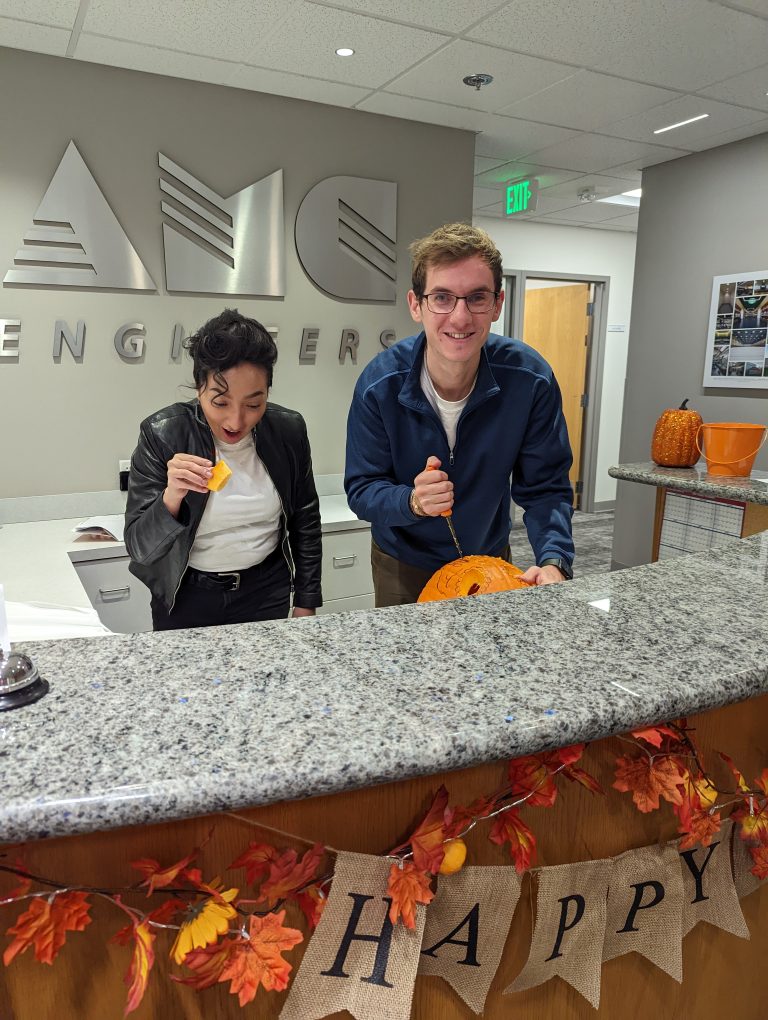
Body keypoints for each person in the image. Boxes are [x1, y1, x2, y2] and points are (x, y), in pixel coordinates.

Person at [344, 222, 574, 608]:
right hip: (402, 562)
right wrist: (412, 501)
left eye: (477, 297)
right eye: (442, 298)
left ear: (497, 304)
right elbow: (362, 489)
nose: (460, 317)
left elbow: (546, 488)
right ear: (416, 305)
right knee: (406, 648)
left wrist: (554, 560)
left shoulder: (530, 380)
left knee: (493, 646)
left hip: (489, 561)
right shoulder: (379, 386)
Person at [125, 309, 322, 630]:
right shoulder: (163, 433)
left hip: (266, 592)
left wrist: (306, 600)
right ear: (199, 387)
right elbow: (139, 548)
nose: (236, 421)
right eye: (220, 402)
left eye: (253, 404)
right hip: (186, 598)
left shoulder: (288, 431)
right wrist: (172, 496)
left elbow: (306, 520)